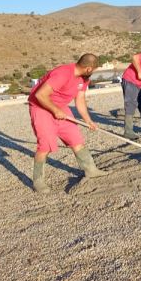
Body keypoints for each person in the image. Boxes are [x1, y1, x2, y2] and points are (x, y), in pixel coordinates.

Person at [28, 53, 107, 193]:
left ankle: (91, 170)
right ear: (88, 68)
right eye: (94, 69)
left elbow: (80, 99)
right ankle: (38, 182)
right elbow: (40, 95)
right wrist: (54, 110)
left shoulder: (84, 79)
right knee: (45, 144)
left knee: (75, 138)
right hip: (41, 107)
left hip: (61, 108)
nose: (93, 72)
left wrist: (88, 120)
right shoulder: (63, 74)